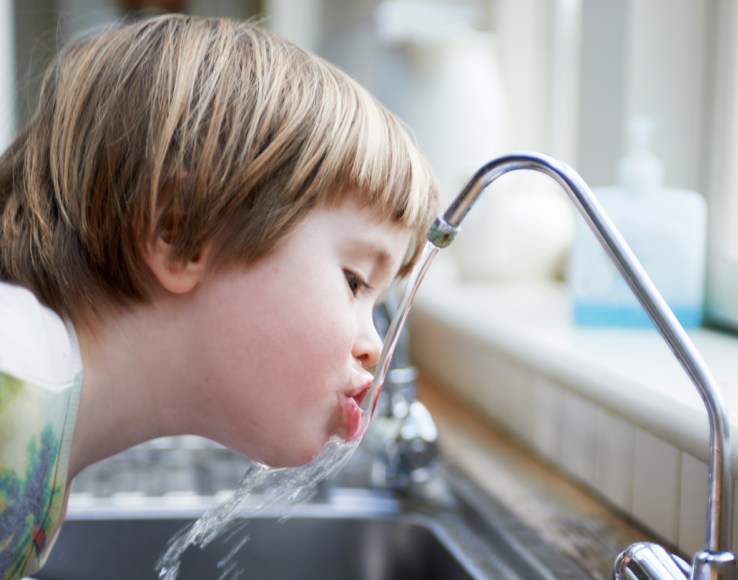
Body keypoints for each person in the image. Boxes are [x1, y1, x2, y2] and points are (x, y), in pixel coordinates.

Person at [0, 14, 439, 578]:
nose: (373, 346)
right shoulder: (17, 376)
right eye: (354, 280)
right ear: (179, 233)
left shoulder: (43, 420)